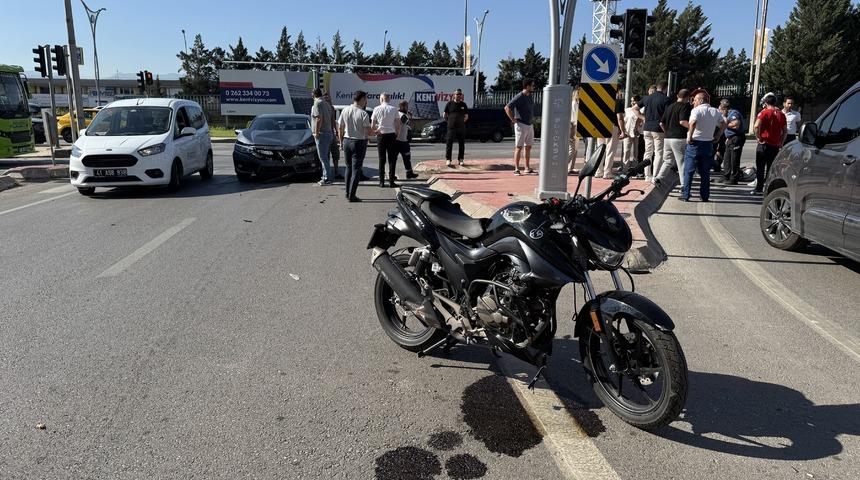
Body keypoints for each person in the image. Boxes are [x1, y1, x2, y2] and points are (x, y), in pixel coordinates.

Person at [681, 90, 726, 202]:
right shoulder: (715, 111)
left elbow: (693, 123)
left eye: (695, 100)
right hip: (708, 144)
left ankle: (686, 195)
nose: (693, 102)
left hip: (695, 143)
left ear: (701, 100)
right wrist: (718, 135)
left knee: (689, 171)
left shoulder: (696, 111)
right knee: (705, 172)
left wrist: (689, 136)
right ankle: (704, 196)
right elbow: (724, 123)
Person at [339, 90, 374, 202]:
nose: (366, 102)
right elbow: (369, 132)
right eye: (365, 99)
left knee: (348, 168)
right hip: (358, 143)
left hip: (346, 141)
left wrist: (341, 142)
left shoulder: (345, 110)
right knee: (356, 170)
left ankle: (346, 192)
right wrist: (376, 131)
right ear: (362, 99)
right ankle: (352, 195)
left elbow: (340, 128)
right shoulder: (363, 113)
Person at [751, 92, 787, 195]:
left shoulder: (764, 112)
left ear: (766, 103)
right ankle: (769, 189)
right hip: (775, 145)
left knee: (760, 167)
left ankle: (759, 188)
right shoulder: (781, 114)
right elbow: (785, 131)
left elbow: (756, 126)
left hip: (764, 143)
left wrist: (758, 137)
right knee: (771, 168)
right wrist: (781, 142)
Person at [657, 89, 692, 188]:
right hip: (679, 138)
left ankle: (658, 178)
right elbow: (682, 121)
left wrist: (667, 132)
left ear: (677, 96)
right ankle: (684, 186)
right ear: (687, 97)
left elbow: (661, 123)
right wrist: (692, 127)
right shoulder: (684, 106)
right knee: (681, 163)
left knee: (668, 161)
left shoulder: (670, 106)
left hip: (668, 138)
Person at [504, 78, 537, 175]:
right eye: (532, 85)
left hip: (529, 124)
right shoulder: (519, 96)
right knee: (519, 147)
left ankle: (527, 168)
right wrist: (513, 119)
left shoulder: (530, 95)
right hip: (521, 124)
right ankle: (516, 169)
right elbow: (507, 107)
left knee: (528, 147)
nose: (533, 87)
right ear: (527, 86)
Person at [641, 81, 672, 182]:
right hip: (658, 129)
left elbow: (635, 108)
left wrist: (643, 118)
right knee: (658, 152)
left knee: (647, 152)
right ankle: (655, 175)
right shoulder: (666, 99)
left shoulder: (647, 98)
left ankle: (647, 175)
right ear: (665, 88)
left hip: (646, 128)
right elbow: (667, 115)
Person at [371, 92, 401, 188]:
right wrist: (397, 133)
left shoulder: (376, 109)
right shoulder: (394, 109)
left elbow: (372, 124)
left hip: (381, 135)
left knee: (381, 159)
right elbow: (397, 123)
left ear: (382, 99)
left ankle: (381, 182)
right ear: (388, 99)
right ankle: (391, 181)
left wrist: (375, 131)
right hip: (391, 135)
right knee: (392, 159)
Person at [596, 87, 627, 179]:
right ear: (617, 91)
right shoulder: (617, 102)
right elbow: (620, 118)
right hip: (612, 126)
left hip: (600, 126)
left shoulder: (601, 100)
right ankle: (607, 172)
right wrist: (623, 131)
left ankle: (598, 171)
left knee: (600, 150)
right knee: (610, 150)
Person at [311, 88, 336, 186]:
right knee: (325, 157)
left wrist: (316, 132)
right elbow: (331, 118)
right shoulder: (326, 103)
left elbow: (318, 118)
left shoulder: (317, 103)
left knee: (323, 157)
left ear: (313, 95)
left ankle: (326, 178)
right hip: (328, 133)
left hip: (322, 134)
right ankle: (326, 176)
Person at [719, 99, 746, 185]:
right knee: (727, 158)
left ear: (725, 109)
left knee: (734, 159)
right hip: (731, 138)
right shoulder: (728, 114)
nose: (721, 112)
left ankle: (734, 178)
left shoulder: (734, 113)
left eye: (721, 110)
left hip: (737, 138)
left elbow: (736, 124)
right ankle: (726, 176)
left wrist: (725, 124)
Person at [443, 89, 469, 167]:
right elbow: (445, 115)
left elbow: (466, 116)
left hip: (461, 128)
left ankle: (461, 159)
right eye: (457, 94)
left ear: (461, 95)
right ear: (454, 95)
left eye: (460, 94)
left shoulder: (464, 105)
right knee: (449, 144)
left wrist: (461, 122)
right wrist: (449, 122)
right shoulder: (449, 104)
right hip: (451, 128)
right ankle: (448, 160)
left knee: (461, 144)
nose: (458, 95)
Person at [395, 100, 419, 180]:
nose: (408, 108)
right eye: (407, 107)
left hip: (397, 140)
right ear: (402, 107)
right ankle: (409, 173)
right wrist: (410, 117)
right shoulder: (403, 115)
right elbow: (411, 125)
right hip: (402, 141)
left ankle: (393, 174)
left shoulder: (397, 113)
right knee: (407, 157)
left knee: (394, 158)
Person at [623, 95, 645, 173]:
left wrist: (637, 128)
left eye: (634, 101)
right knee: (626, 151)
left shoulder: (642, 109)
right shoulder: (627, 110)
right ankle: (625, 169)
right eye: (631, 101)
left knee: (636, 152)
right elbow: (625, 120)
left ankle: (635, 170)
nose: (632, 102)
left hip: (637, 133)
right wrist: (623, 131)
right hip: (628, 133)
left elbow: (640, 120)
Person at [323, 91, 342, 180]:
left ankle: (336, 171)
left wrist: (336, 131)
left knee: (335, 153)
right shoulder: (321, 107)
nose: (328, 99)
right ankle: (326, 173)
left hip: (332, 134)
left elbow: (333, 120)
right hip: (324, 134)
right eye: (326, 98)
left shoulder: (332, 108)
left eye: (329, 98)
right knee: (325, 155)